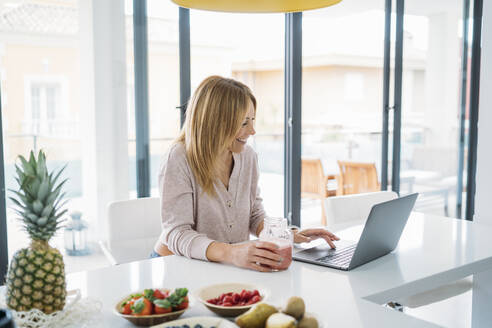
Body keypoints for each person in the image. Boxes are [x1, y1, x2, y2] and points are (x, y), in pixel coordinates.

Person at [152, 76, 339, 272]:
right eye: (243, 123)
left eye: (252, 120)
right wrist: (232, 253)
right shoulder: (179, 158)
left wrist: (287, 235)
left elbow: (254, 216)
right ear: (214, 122)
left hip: (223, 267)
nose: (253, 130)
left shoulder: (247, 156)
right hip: (175, 266)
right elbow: (176, 233)